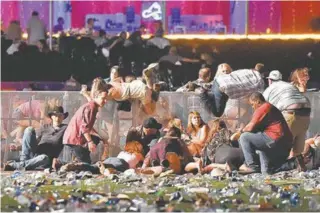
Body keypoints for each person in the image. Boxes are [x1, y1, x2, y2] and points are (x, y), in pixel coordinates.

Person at [236, 92, 293, 175]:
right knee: (265, 171)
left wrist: (240, 131)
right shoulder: (270, 108)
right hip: (284, 142)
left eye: (252, 104)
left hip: (275, 137)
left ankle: (252, 166)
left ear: (258, 101)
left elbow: (250, 127)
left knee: (244, 137)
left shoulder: (263, 107)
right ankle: (267, 174)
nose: (252, 107)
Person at [263, 70, 311, 163]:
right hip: (306, 113)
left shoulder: (269, 89)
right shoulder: (289, 85)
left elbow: (262, 111)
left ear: (270, 80)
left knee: (280, 144)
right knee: (298, 148)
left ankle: (280, 166)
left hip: (291, 113)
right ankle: (299, 166)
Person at [55, 88, 109, 168]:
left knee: (96, 139)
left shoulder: (92, 106)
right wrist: (90, 142)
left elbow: (87, 126)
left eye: (106, 99)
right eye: (103, 98)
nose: (105, 101)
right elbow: (84, 128)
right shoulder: (91, 107)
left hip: (74, 137)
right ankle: (60, 163)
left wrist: (98, 137)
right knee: (86, 165)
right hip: (75, 139)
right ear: (96, 97)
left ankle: (77, 160)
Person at [4, 106, 68, 171]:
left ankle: (16, 165)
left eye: (60, 115)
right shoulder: (45, 127)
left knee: (44, 157)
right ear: (51, 116)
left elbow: (70, 141)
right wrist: (18, 147)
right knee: (29, 129)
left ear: (63, 117)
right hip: (34, 154)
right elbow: (33, 140)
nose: (57, 118)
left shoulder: (65, 128)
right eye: (55, 115)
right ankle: (24, 162)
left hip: (46, 159)